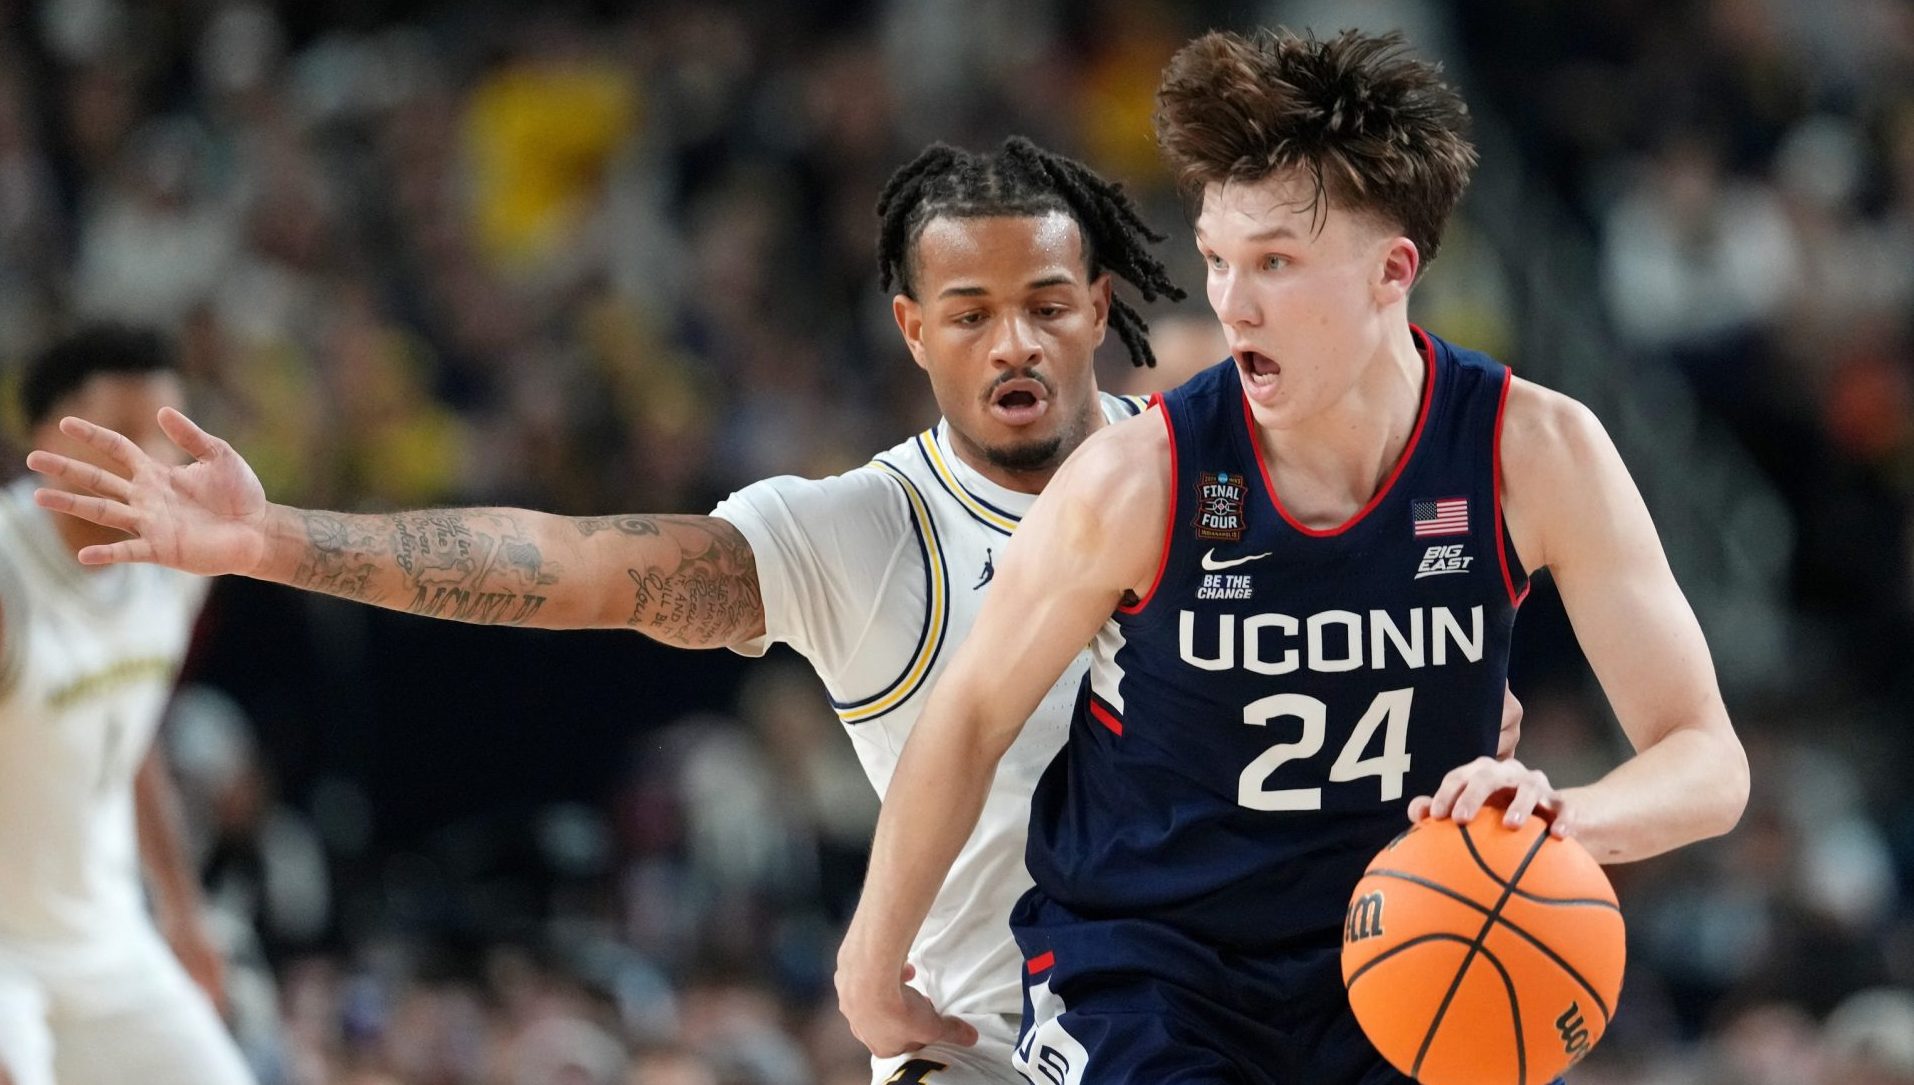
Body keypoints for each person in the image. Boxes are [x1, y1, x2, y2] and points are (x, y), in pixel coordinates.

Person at [25, 137, 1189, 1085]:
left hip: (1218, 1008)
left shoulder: (1218, 476)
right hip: (987, 1043)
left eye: (1046, 304)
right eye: (971, 312)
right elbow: (572, 562)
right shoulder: (868, 532)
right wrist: (277, 538)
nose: (1014, 342)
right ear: (913, 328)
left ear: (1099, 307)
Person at [834, 28, 1750, 1084]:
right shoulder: (1139, 478)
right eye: (1218, 260)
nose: (1232, 302)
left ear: (1392, 272)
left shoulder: (1532, 451)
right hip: (1152, 965)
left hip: (1402, 958)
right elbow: (969, 715)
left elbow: (1706, 757)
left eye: (1274, 262)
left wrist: (1564, 815)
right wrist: (872, 959)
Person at [0, 325, 254, 1085]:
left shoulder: (179, 565)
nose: (147, 459)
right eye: (120, 434)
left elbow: (124, 729)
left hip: (107, 936)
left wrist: (182, 909)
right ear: (42, 440)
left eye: (164, 436)